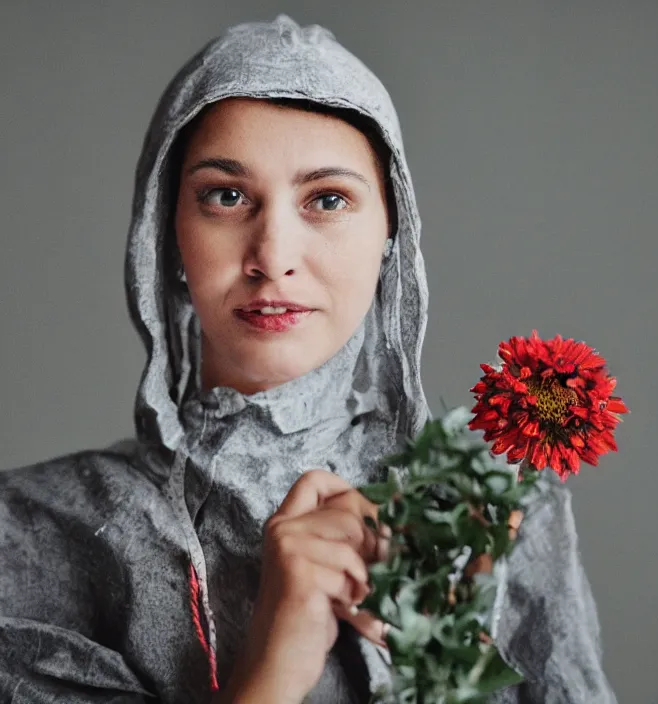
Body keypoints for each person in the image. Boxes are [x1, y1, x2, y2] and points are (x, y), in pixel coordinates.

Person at [0, 15, 617, 704]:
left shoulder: (505, 516)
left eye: (327, 199)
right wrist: (273, 666)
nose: (274, 258)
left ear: (393, 235)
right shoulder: (30, 530)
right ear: (166, 237)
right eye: (226, 196)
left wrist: (450, 666)